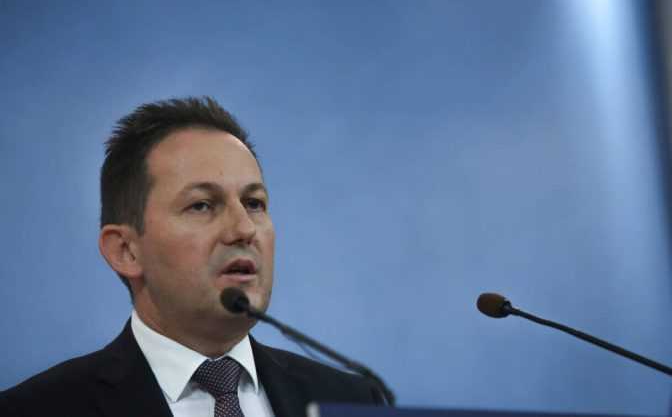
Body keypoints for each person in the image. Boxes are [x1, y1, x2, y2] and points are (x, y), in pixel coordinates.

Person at [0, 97, 384, 417]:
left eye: (254, 203)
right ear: (126, 250)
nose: (243, 229)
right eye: (202, 205)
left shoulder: (351, 400)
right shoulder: (35, 409)